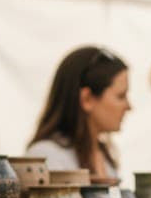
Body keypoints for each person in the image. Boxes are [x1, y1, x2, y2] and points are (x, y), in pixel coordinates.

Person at [26, 45, 130, 177]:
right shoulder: (46, 157)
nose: (129, 106)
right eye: (121, 96)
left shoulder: (104, 157)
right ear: (87, 99)